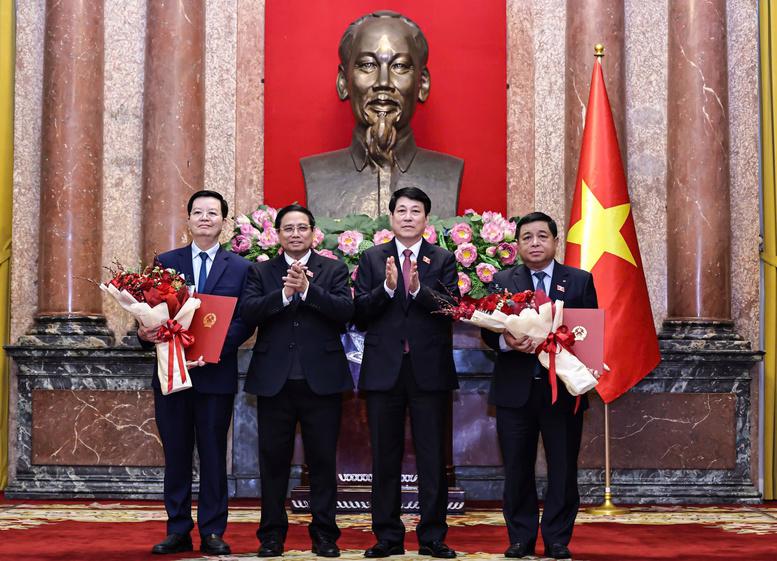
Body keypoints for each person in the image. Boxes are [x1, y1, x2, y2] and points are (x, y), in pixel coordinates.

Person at [139, 190, 253, 556]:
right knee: (176, 454)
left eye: (213, 213)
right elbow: (148, 314)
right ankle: (177, 529)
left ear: (224, 221)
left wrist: (214, 348)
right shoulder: (164, 263)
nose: (206, 218)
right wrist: (145, 333)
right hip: (172, 374)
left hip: (214, 376)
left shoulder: (240, 267)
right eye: (198, 212)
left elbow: (244, 321)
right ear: (187, 219)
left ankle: (213, 531)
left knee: (213, 453)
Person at [481, 212, 598, 560]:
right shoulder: (502, 280)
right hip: (515, 391)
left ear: (555, 241)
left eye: (542, 236)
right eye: (527, 237)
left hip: (561, 391)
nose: (535, 243)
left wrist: (564, 343)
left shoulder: (578, 281)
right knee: (517, 467)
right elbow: (488, 332)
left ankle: (558, 539)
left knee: (563, 467)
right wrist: (507, 342)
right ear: (517, 245)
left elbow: (587, 333)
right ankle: (520, 538)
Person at [240, 204, 354, 558]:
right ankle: (271, 536)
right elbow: (249, 312)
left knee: (322, 462)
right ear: (277, 234)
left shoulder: (333, 269)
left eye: (301, 227)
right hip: (275, 381)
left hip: (321, 381)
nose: (294, 234)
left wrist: (307, 290)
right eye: (287, 228)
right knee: (273, 462)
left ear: (313, 232)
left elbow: (344, 313)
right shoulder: (260, 271)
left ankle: (324, 535)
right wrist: (285, 295)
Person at [354, 186, 459, 559]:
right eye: (402, 210)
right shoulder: (371, 259)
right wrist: (386, 288)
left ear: (426, 218)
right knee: (385, 456)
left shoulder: (443, 259)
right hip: (385, 371)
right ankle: (387, 536)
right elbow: (359, 314)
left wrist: (418, 291)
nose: (408, 216)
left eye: (416, 210)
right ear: (391, 217)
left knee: (433, 458)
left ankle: (432, 536)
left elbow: (451, 309)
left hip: (428, 372)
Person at [302, 10, 463, 218]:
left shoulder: (448, 172)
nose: (383, 83)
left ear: (422, 83)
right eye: (368, 65)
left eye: (400, 66)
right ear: (343, 82)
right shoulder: (317, 173)